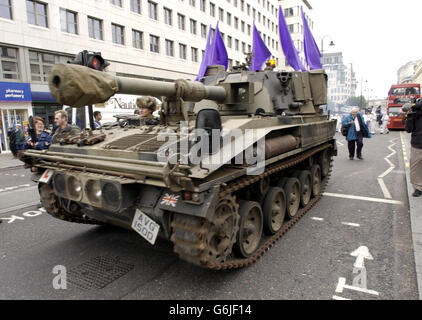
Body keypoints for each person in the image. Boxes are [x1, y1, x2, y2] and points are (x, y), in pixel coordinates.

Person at [405, 99, 422, 197]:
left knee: (416, 168)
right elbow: (408, 129)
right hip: (418, 145)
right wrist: (410, 117)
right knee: (416, 168)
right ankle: (418, 187)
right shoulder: (415, 114)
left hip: (417, 143)